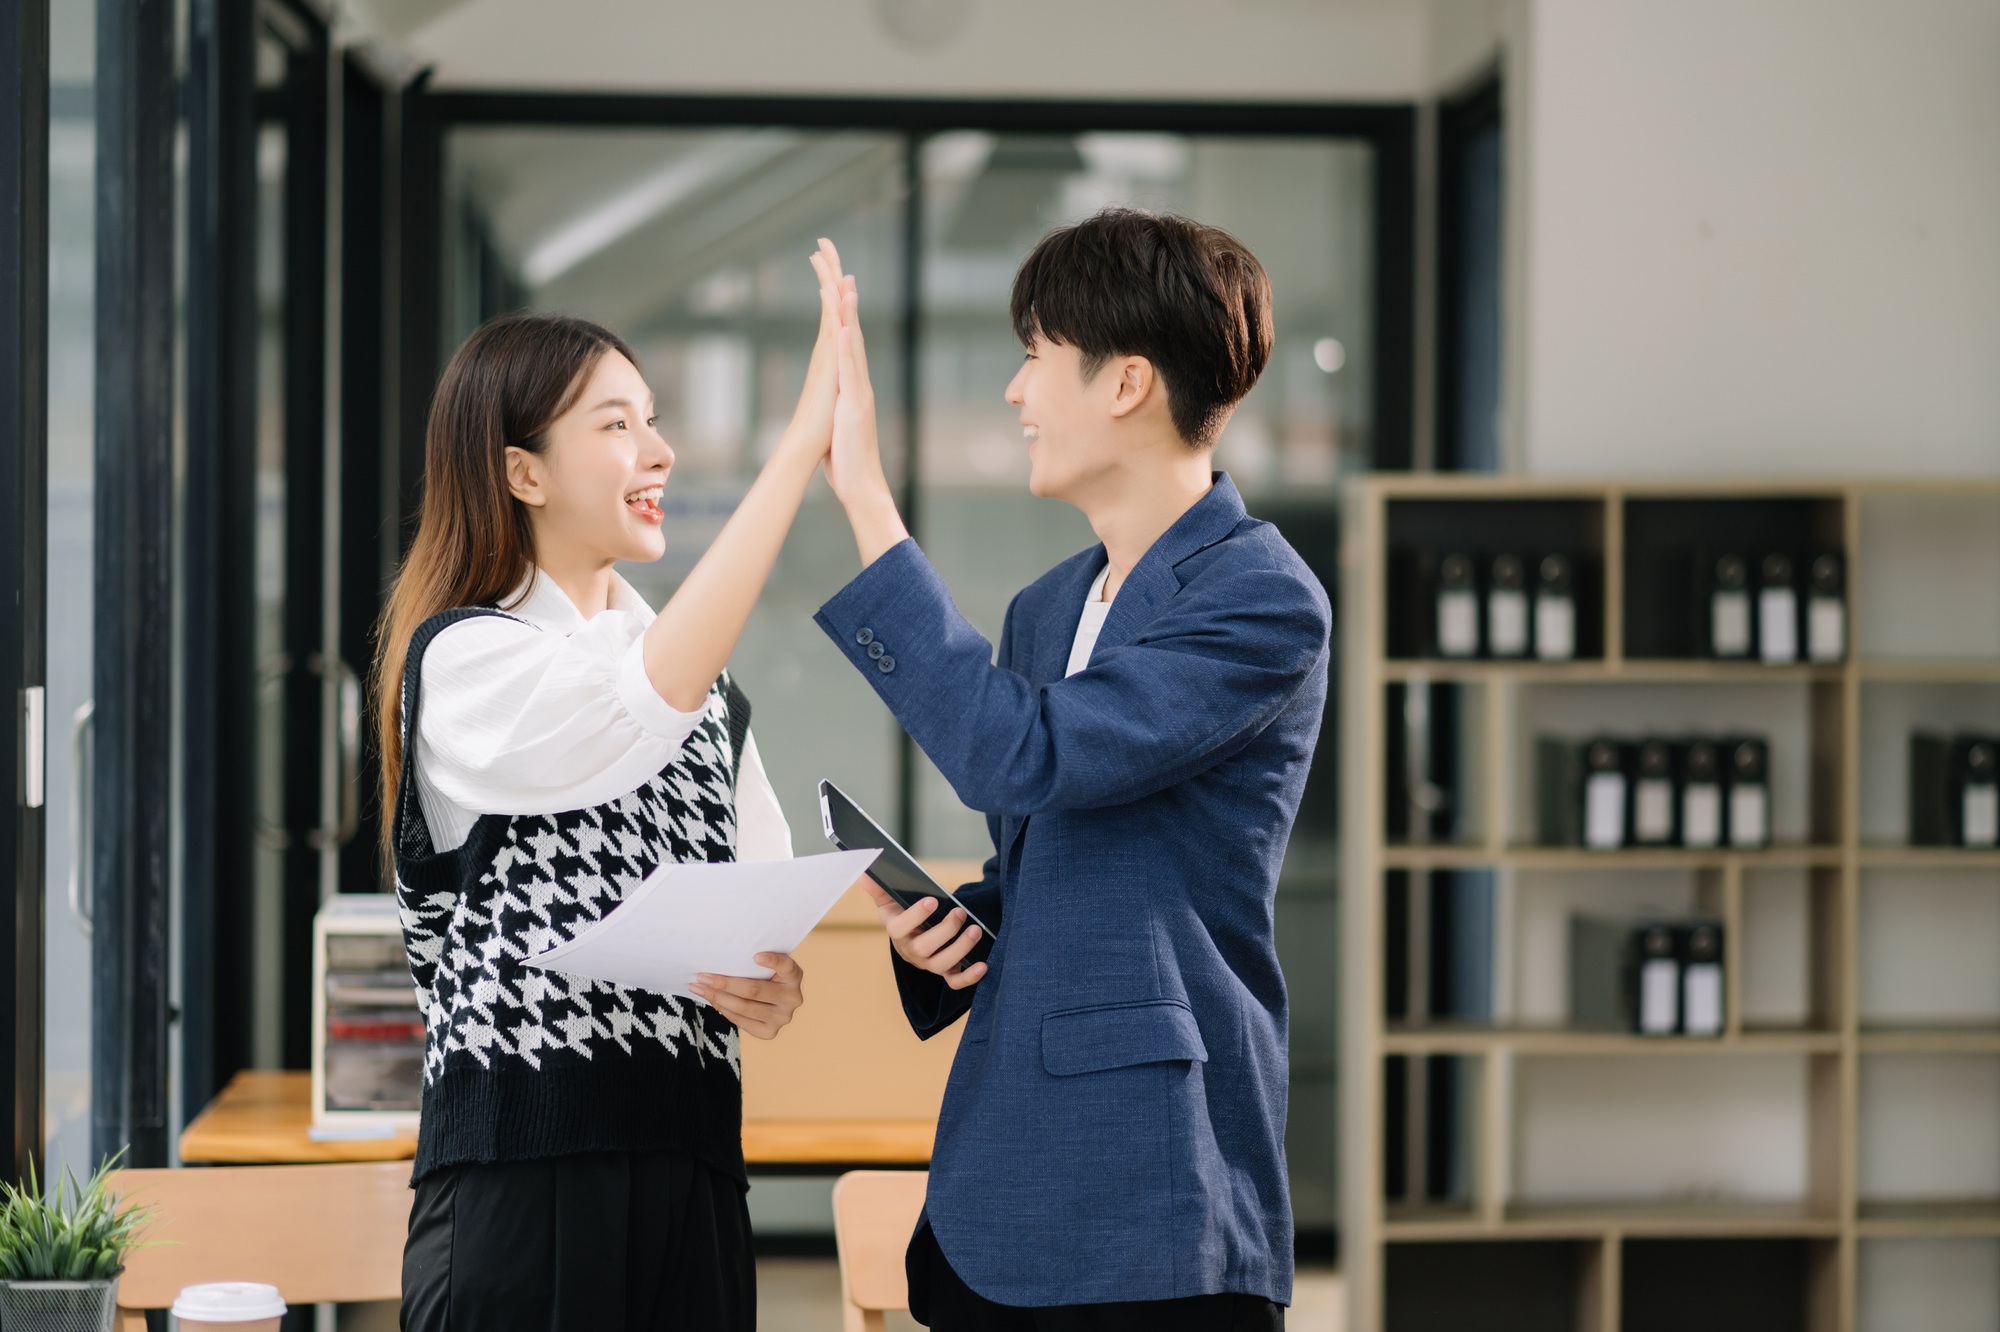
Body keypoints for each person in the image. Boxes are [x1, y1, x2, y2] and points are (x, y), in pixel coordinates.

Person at [813, 207, 1331, 1329]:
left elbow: (1019, 751)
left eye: (1035, 355)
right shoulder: (1046, 607)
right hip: (997, 1183)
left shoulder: (1260, 597)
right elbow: (1069, 844)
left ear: (1125, 382)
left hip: (1151, 1195)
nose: (1014, 391)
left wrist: (866, 500)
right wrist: (961, 929)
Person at [379, 241, 854, 1332]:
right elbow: (629, 706)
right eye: (616, 424)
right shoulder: (462, 660)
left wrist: (766, 988)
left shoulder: (706, 694)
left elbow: (758, 903)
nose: (659, 450)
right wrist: (796, 451)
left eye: (652, 419)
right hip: (522, 1180)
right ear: (521, 472)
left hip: (693, 1168)